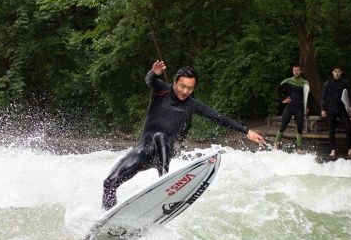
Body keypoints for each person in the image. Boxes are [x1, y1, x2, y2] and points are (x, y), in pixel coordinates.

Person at [101, 60, 266, 210]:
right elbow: (149, 80)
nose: (185, 91)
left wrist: (246, 131)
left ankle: (164, 181)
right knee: (109, 183)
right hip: (142, 152)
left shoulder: (192, 105)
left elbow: (219, 118)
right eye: (182, 86)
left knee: (160, 136)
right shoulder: (162, 91)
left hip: (163, 154)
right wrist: (154, 72)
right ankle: (106, 218)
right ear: (174, 82)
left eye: (190, 88)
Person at [320, 66, 351, 159]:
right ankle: (332, 149)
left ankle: (350, 149)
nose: (337, 73)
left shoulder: (345, 82)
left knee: (348, 127)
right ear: (332, 72)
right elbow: (323, 97)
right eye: (335, 71)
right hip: (330, 108)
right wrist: (322, 109)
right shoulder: (328, 83)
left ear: (341, 72)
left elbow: (350, 95)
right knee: (331, 129)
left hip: (341, 108)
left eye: (339, 71)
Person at [274, 65, 309, 153]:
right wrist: (283, 100)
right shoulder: (288, 81)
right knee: (283, 125)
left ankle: (299, 148)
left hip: (299, 108)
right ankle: (276, 143)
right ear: (293, 71)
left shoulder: (305, 83)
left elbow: (308, 96)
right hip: (289, 107)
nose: (296, 72)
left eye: (298, 70)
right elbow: (277, 90)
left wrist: (307, 106)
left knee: (300, 127)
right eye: (294, 70)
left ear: (301, 71)